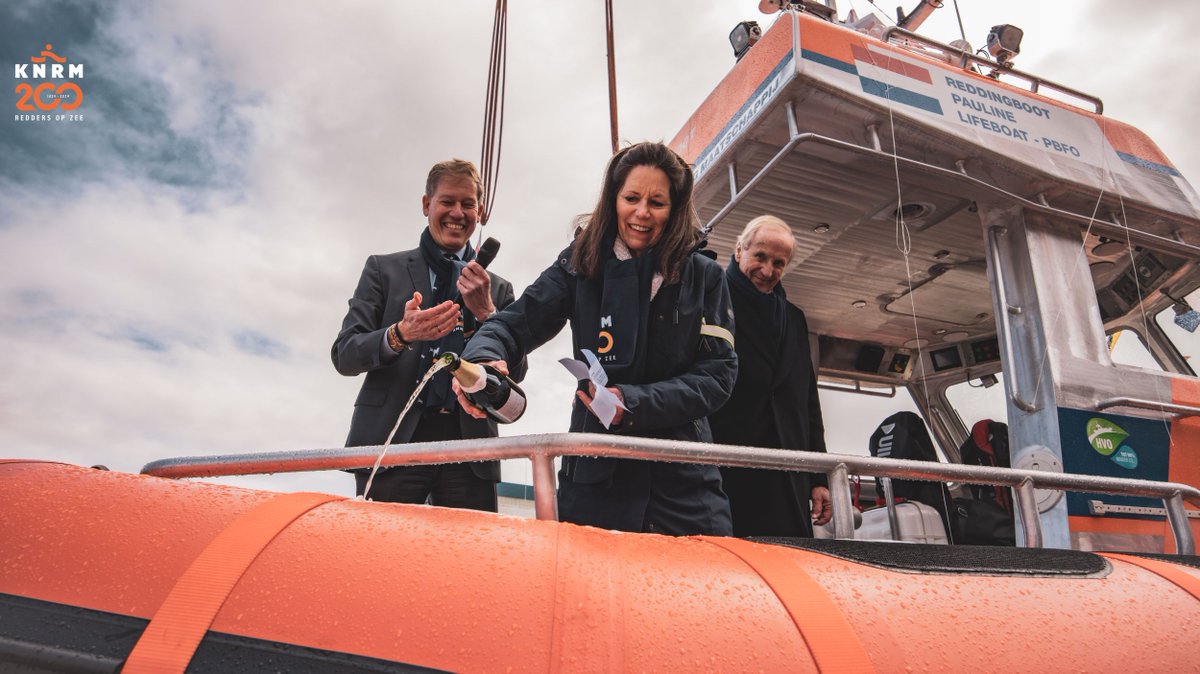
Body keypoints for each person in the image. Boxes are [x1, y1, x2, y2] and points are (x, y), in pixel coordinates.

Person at [458, 142, 737, 536]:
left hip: (684, 491)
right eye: (632, 198)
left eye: (657, 202)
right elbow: (513, 324)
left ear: (674, 209)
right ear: (613, 199)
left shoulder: (706, 277)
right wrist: (486, 358)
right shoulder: (577, 264)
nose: (642, 212)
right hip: (595, 488)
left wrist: (634, 403)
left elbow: (718, 375)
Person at [331, 159, 523, 510]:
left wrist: (487, 315)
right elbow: (345, 354)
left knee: (467, 562)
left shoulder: (499, 289)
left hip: (471, 450)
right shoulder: (382, 270)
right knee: (379, 556)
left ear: (479, 212)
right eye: (447, 202)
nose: (457, 212)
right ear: (426, 205)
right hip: (391, 445)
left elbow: (517, 375)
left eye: (468, 204)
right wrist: (399, 334)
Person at [708, 215, 832, 537]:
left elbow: (807, 402)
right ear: (739, 251)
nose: (767, 271)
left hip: (788, 474)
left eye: (778, 263)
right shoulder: (712, 300)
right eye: (760, 257)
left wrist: (818, 477)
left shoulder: (794, 318)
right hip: (728, 469)